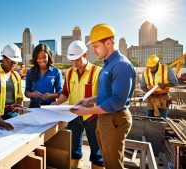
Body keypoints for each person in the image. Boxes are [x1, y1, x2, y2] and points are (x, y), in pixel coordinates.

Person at [70, 24, 136, 169]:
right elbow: (107, 93)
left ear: (108, 42)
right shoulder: (108, 64)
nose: (93, 50)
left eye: (96, 46)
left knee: (113, 164)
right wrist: (90, 100)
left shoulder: (121, 65)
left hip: (114, 118)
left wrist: (85, 111)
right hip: (106, 118)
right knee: (108, 160)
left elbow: (117, 101)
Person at [52, 40, 104, 169]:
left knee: (97, 151)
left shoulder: (98, 72)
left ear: (84, 56)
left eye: (77, 59)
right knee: (74, 149)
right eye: (72, 60)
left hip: (93, 118)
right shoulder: (69, 72)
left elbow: (104, 96)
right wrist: (57, 102)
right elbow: (65, 92)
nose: (74, 63)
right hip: (74, 116)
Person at [25, 44, 62, 108]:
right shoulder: (30, 72)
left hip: (50, 106)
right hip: (34, 106)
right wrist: (33, 94)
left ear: (49, 56)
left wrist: (50, 95)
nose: (41, 60)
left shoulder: (56, 72)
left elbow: (60, 93)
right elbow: (26, 92)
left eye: (44, 57)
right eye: (38, 58)